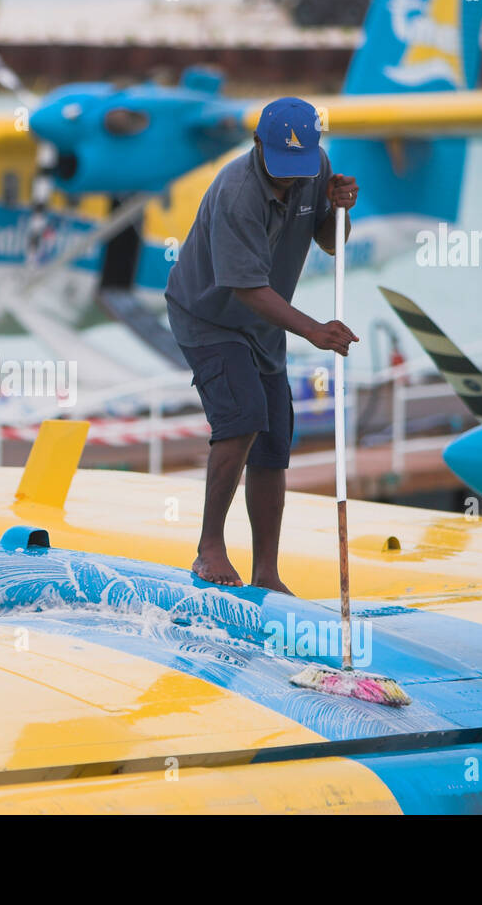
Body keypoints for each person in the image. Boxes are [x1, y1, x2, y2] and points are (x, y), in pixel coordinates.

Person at [164, 96, 359, 592]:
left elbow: (331, 243)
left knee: (273, 441)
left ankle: (267, 573)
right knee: (243, 415)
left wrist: (341, 211)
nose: (290, 178)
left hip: (264, 322)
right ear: (257, 144)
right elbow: (246, 288)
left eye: (300, 166)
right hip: (209, 315)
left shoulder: (313, 167)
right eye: (281, 166)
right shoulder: (237, 192)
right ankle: (210, 549)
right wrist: (315, 330)